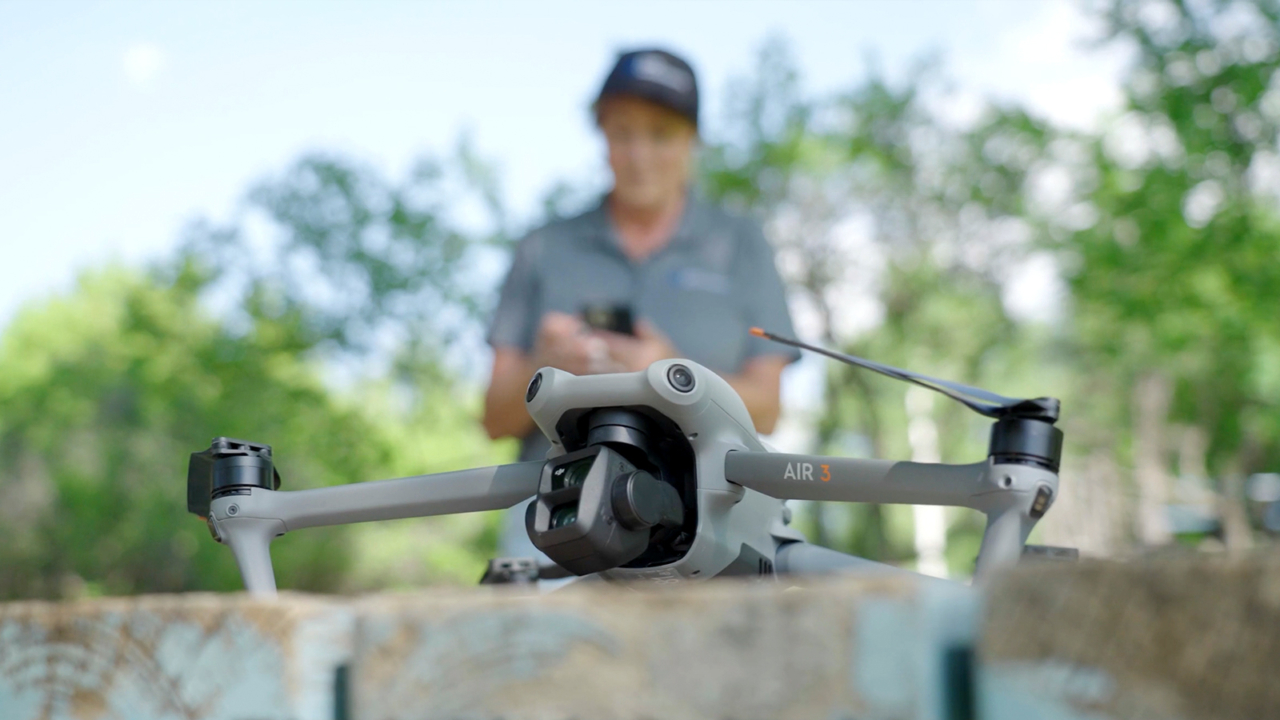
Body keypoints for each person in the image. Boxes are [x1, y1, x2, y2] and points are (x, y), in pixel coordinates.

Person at [482, 48, 800, 558]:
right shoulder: (543, 246)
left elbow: (767, 409)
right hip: (556, 522)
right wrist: (546, 368)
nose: (639, 154)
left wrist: (670, 375)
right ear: (601, 135)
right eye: (622, 133)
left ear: (693, 140)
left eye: (660, 134)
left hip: (707, 527)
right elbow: (494, 418)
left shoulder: (742, 244)